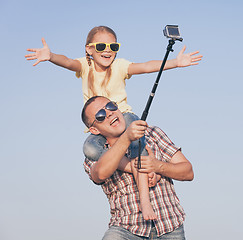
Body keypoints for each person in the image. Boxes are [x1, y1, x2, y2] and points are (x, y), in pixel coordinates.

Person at [25, 25, 202, 219]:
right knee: (90, 150)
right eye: (101, 46)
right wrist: (51, 56)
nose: (107, 50)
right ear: (89, 49)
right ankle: (132, 167)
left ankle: (145, 201)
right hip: (101, 127)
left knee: (137, 145)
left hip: (124, 117)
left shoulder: (119, 66)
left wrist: (175, 62)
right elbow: (67, 62)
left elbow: (145, 66)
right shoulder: (85, 66)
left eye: (113, 46)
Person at [81, 96, 194, 239]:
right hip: (126, 229)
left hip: (170, 226)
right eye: (100, 116)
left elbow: (188, 172)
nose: (109, 113)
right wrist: (126, 138)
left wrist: (157, 166)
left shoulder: (151, 133)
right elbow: (101, 173)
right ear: (94, 129)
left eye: (110, 106)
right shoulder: (93, 155)